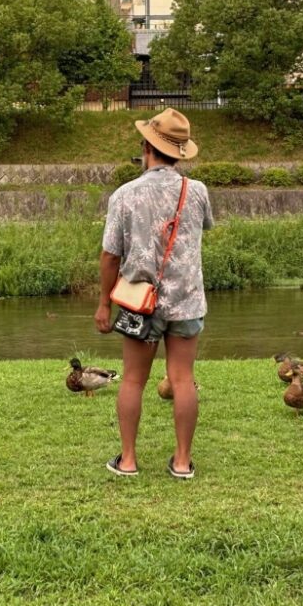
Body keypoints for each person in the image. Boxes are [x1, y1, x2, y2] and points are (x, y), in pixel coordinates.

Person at [96, 108, 213, 479]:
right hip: (187, 300)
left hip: (139, 303)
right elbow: (202, 229)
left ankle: (128, 460)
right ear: (179, 152)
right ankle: (182, 462)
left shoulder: (124, 195)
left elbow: (110, 254)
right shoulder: (196, 192)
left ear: (147, 147)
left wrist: (103, 303)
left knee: (133, 379)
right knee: (182, 378)